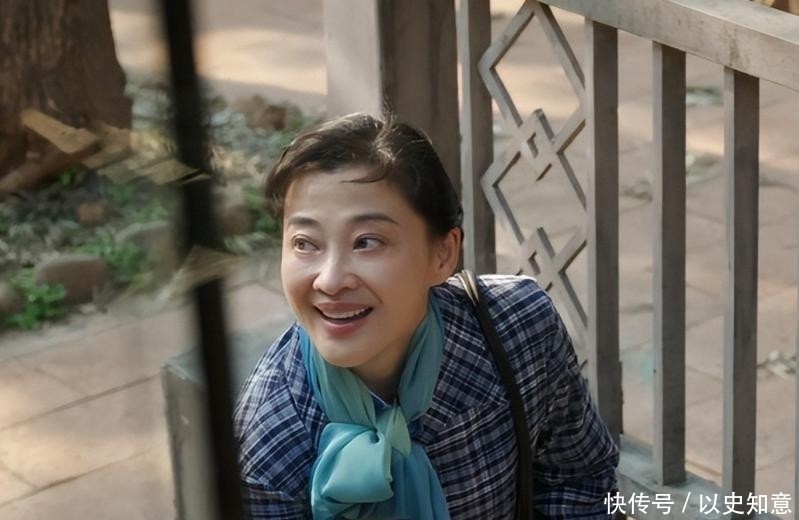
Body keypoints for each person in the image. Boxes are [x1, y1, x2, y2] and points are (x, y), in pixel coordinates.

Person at [234, 113, 618, 519]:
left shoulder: (518, 330)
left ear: (442, 254)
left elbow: (581, 482)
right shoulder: (269, 439)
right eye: (304, 243)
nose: (329, 281)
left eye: (366, 242)